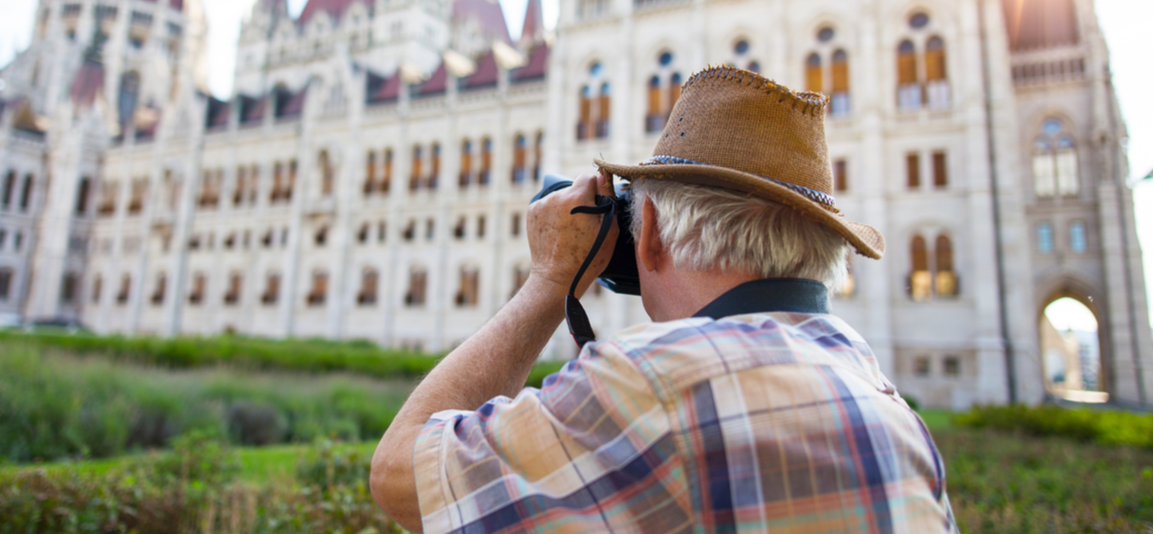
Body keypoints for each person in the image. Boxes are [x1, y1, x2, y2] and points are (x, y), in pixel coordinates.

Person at [371, 64, 955, 533]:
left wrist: (552, 279)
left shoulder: (648, 388)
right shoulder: (895, 415)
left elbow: (402, 475)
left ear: (648, 233)